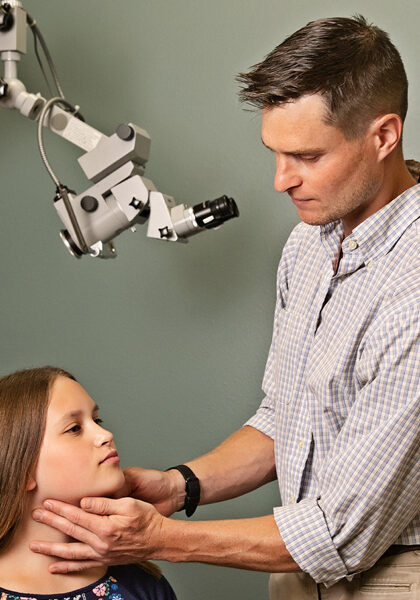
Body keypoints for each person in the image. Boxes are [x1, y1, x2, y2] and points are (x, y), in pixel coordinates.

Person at [29, 15, 420, 599]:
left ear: (384, 136)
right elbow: (286, 420)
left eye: (306, 157)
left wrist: (156, 540)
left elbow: (340, 534)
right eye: (274, 153)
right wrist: (180, 485)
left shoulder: (411, 287)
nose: (280, 181)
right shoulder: (307, 247)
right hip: (294, 571)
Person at [0, 366, 177, 600]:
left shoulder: (143, 584)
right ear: (23, 471)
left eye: (97, 419)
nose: (106, 434)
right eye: (74, 428)